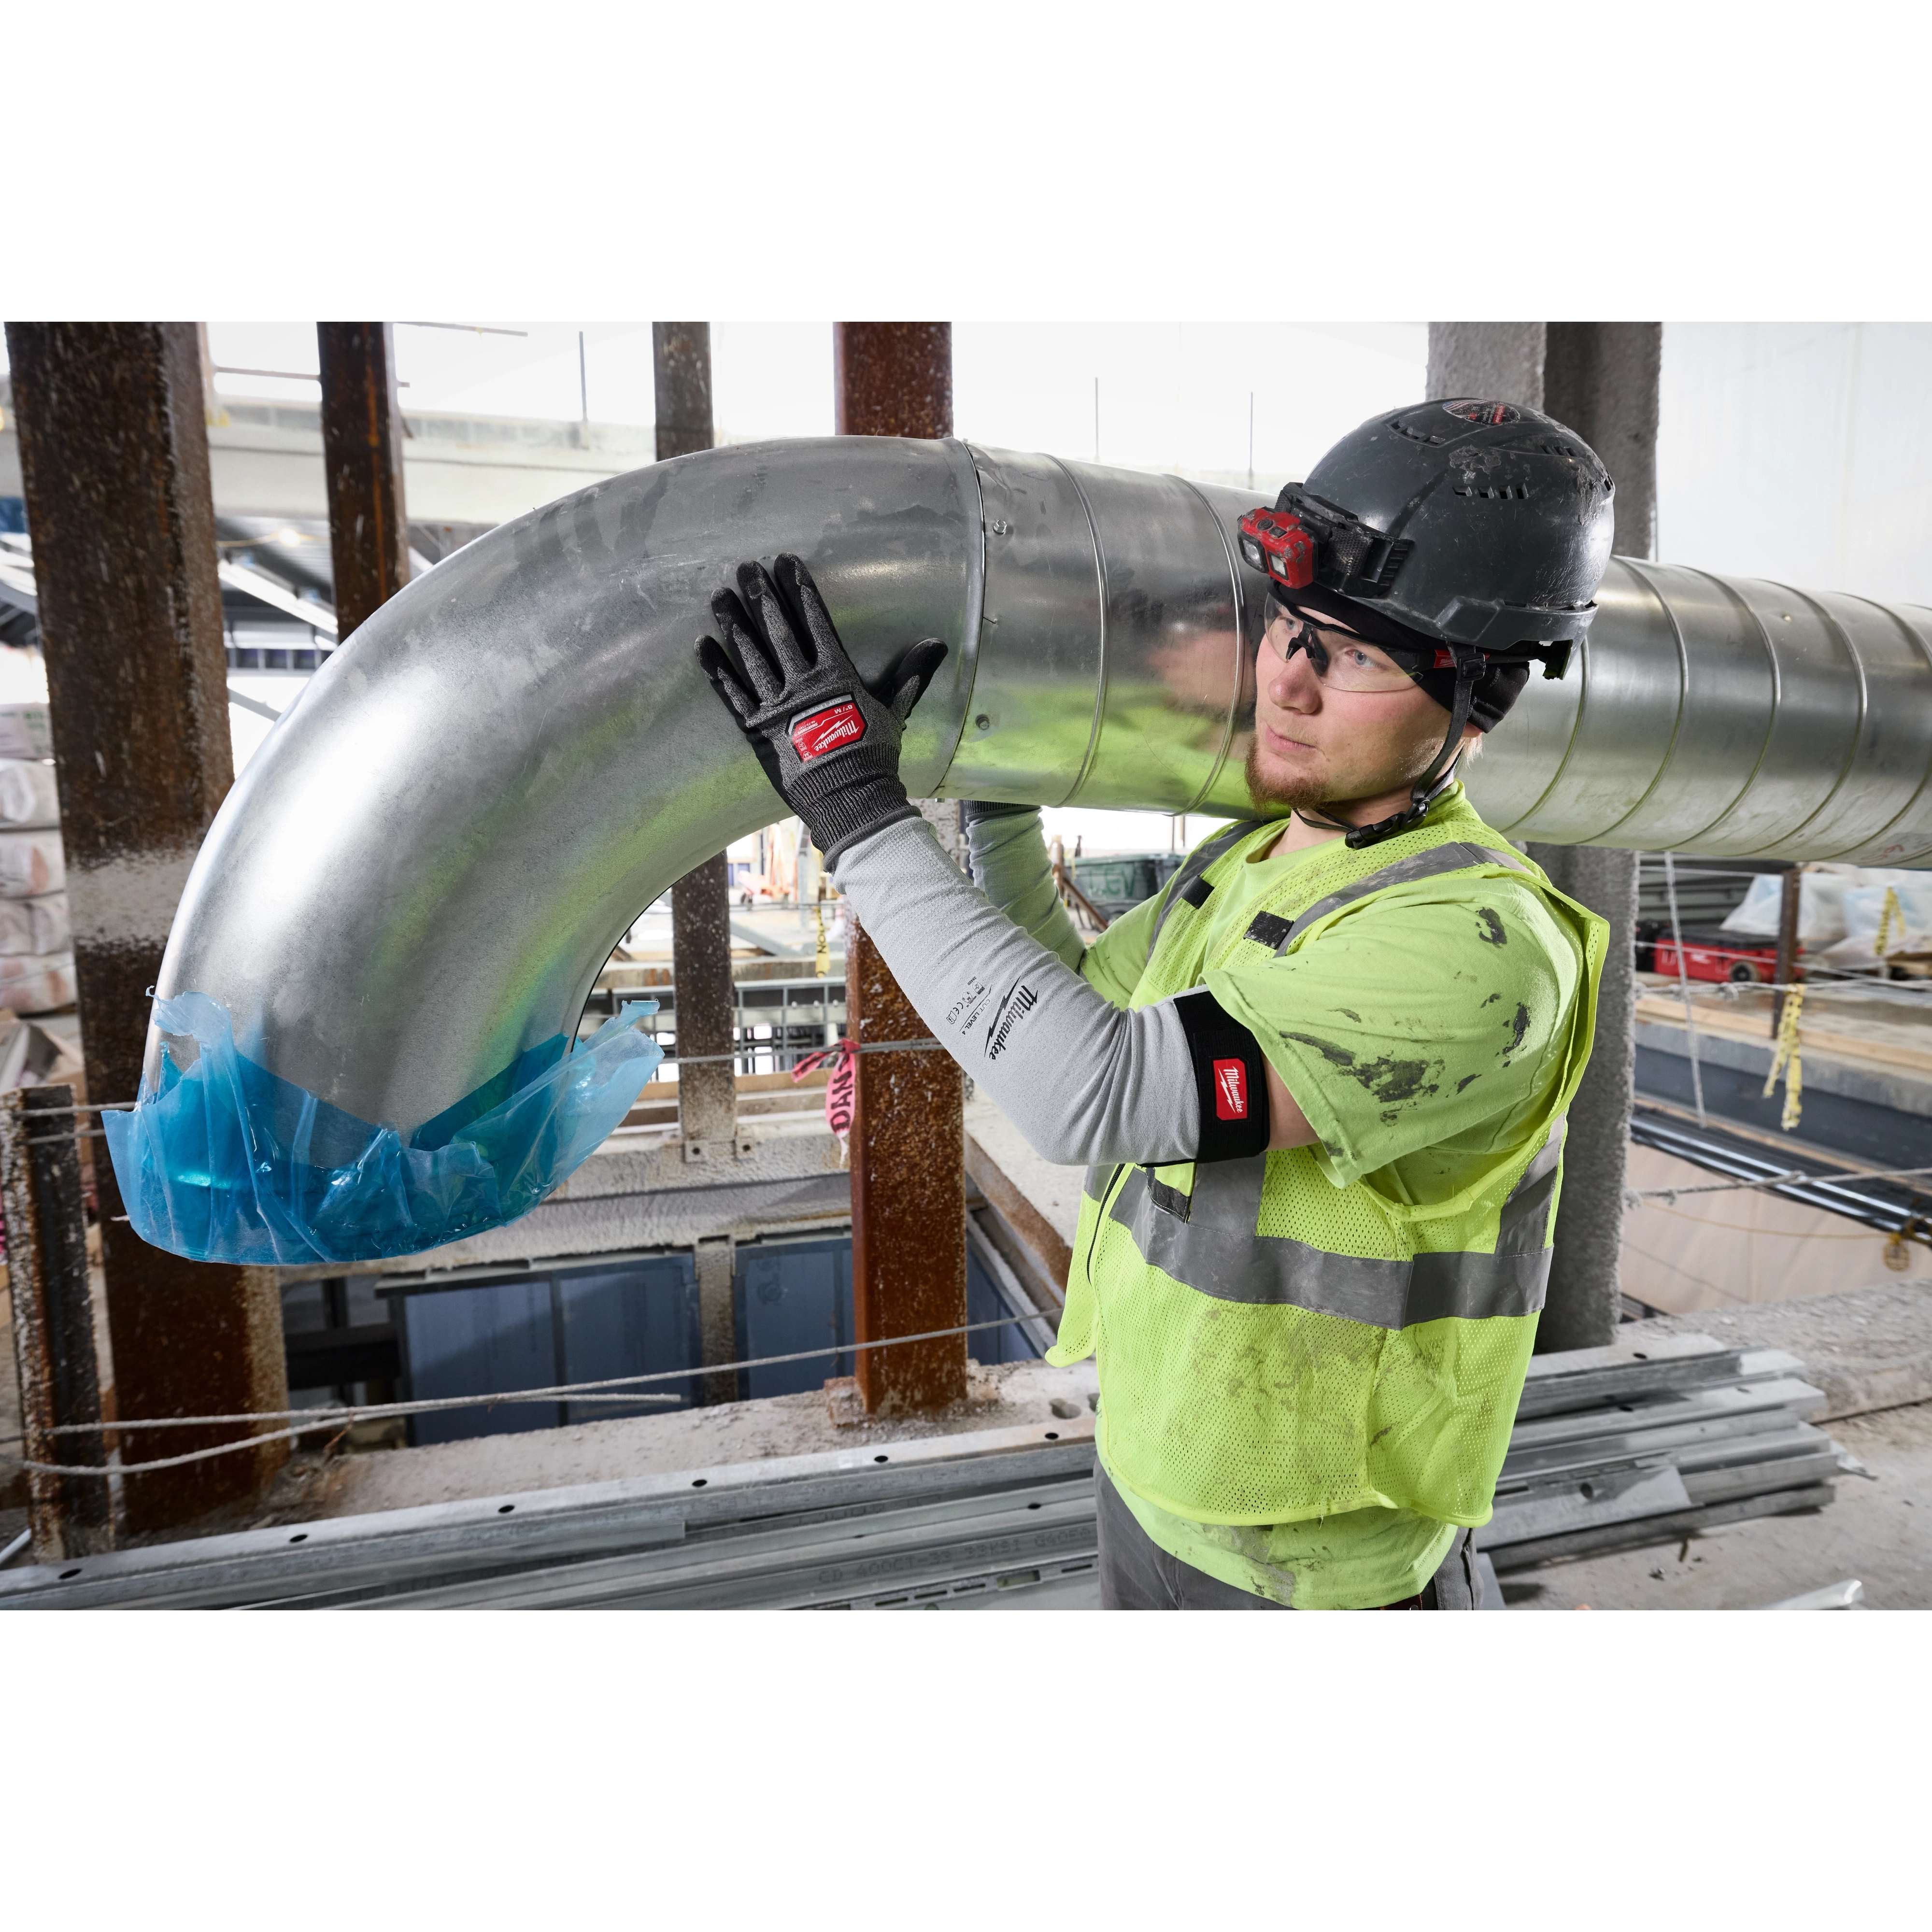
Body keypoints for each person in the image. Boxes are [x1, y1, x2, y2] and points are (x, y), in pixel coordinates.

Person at [696, 398, 1614, 1611]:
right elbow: (1067, 1005)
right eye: (1288, 629)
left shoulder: (1477, 947)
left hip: (1319, 1549)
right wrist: (993, 794)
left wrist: (854, 812)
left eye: (1352, 655)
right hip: (1154, 1464)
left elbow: (1092, 1093)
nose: (1286, 681)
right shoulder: (1247, 862)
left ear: (1477, 698)